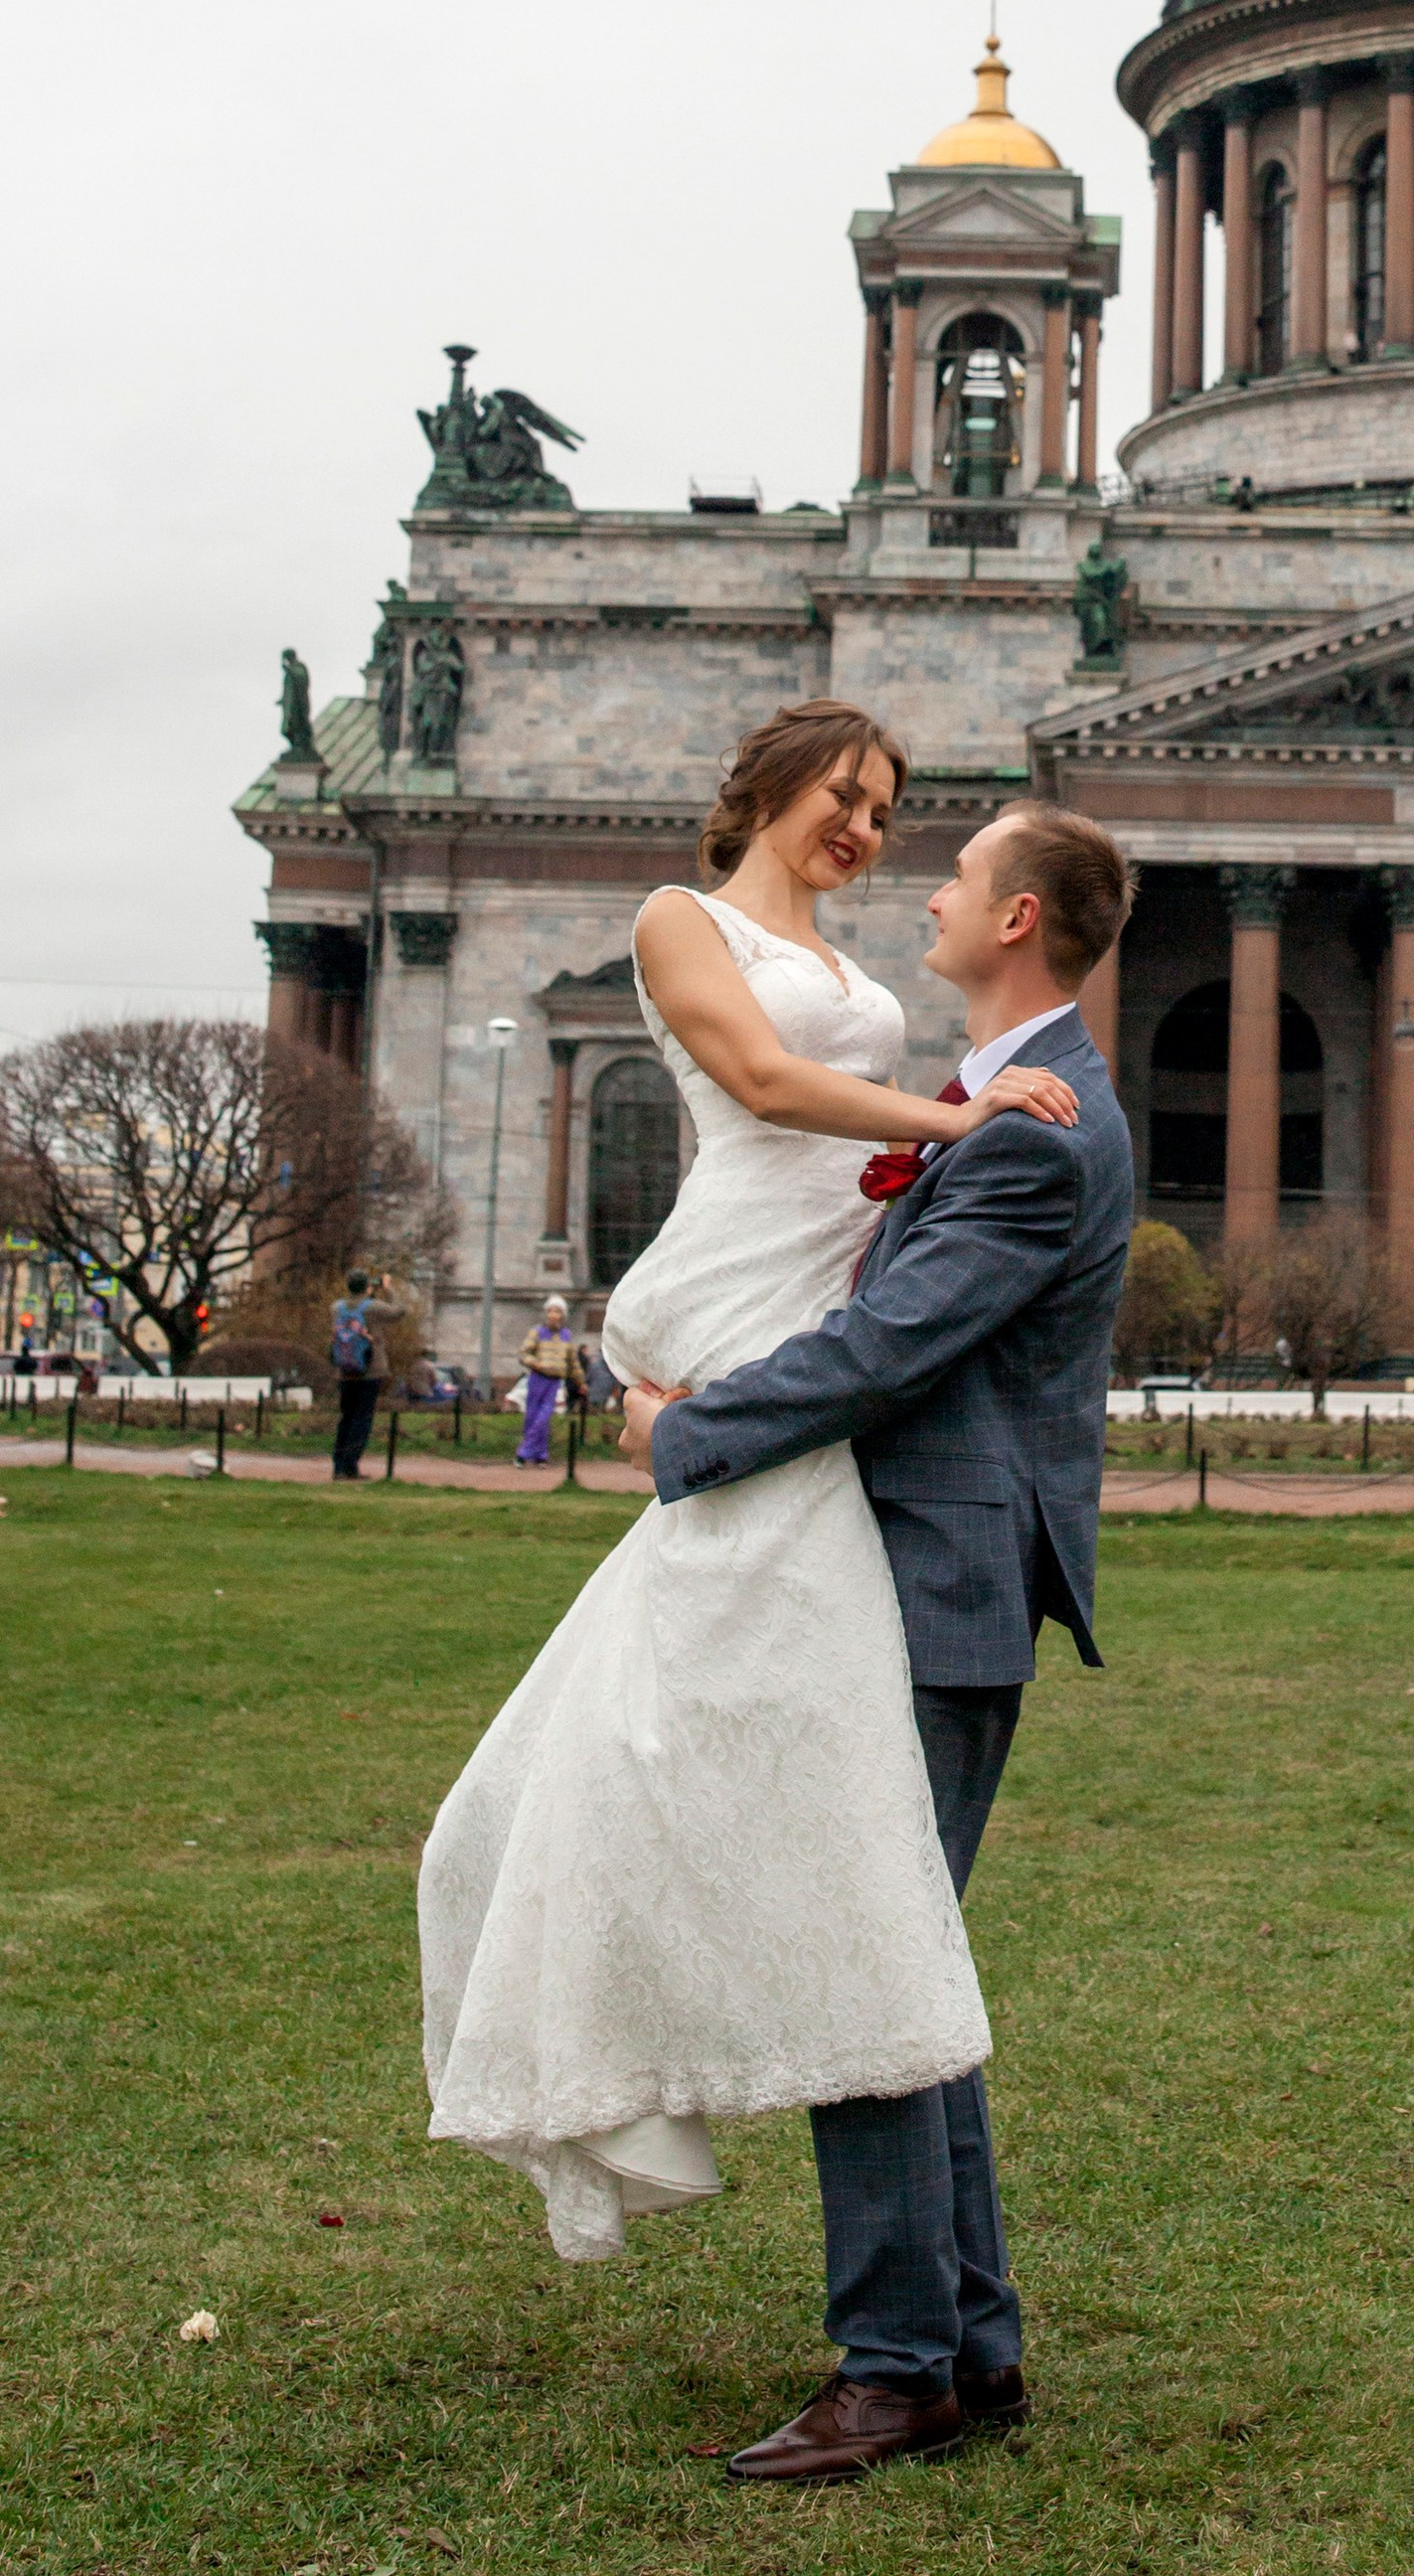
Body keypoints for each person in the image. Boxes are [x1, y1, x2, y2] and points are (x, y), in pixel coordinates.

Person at [417, 704, 1093, 2340]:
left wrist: (952, 1131)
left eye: (890, 809)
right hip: (749, 1298)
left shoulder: (872, 976)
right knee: (837, 1883)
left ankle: (926, 2335)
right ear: (771, 786)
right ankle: (922, 2327)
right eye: (846, 793)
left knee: (836, 1891)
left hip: (817, 1333)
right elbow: (765, 1078)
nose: (869, 827)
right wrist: (955, 1118)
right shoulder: (679, 917)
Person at [612, 781, 1135, 2489]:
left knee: (857, 1963)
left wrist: (683, 1428)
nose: (925, 893)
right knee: (902, 1961)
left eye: (958, 872)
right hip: (921, 1568)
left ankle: (897, 2365)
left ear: (1018, 920)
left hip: (936, 1574)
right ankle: (965, 2339)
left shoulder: (1036, 1127)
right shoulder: (1002, 1101)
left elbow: (889, 1344)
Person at [329, 1270, 387, 1481]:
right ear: (366, 1287)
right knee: (362, 1418)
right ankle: (351, 1465)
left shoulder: (336, 1308)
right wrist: (388, 1289)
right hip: (368, 1370)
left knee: (346, 1417)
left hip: (344, 1369)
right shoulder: (373, 1307)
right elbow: (399, 1311)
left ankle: (338, 1466)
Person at [515, 1297, 577, 1466]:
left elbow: (573, 1362)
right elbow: (523, 1353)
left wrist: (580, 1382)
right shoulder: (537, 1332)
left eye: (557, 1311)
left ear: (563, 1315)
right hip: (537, 1378)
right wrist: (536, 1363)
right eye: (550, 1311)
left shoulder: (566, 1335)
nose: (553, 1315)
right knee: (531, 1417)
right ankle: (540, 1455)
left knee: (544, 1417)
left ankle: (523, 1453)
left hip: (554, 1381)